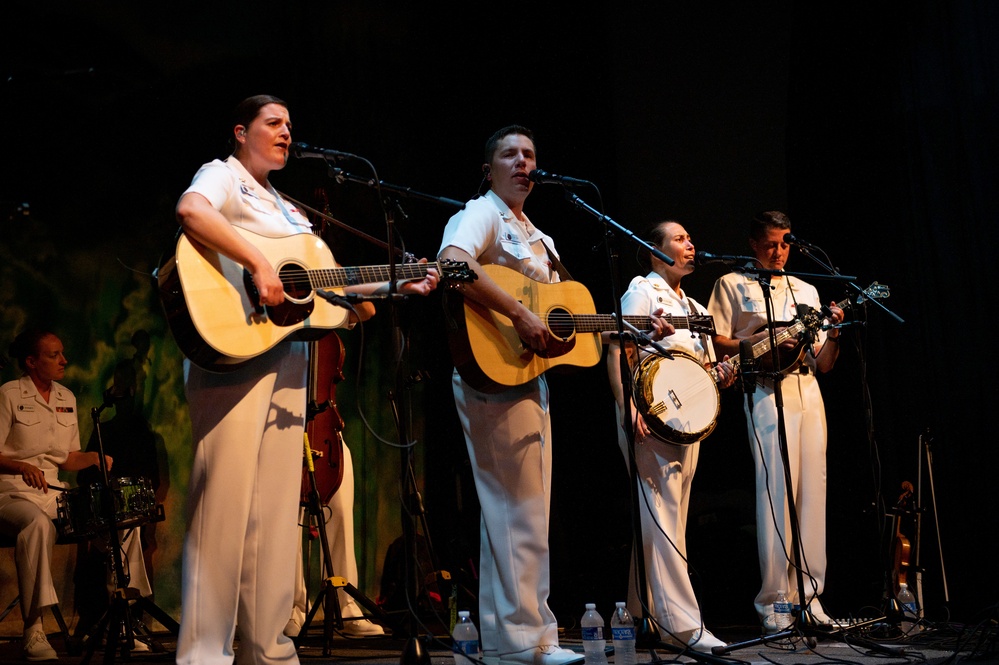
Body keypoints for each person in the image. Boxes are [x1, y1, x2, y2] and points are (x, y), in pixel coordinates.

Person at [173, 94, 437, 665]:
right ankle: (203, 655)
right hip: (231, 347)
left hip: (287, 355)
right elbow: (192, 213)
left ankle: (268, 648)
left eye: (291, 125)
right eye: (274, 123)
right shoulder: (221, 176)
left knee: (273, 511)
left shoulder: (287, 209)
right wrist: (261, 264)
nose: (286, 132)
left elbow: (325, 282)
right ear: (241, 131)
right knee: (224, 502)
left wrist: (398, 283)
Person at [438, 126, 668, 665]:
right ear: (488, 168)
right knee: (516, 509)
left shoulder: (541, 238)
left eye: (530, 155)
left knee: (520, 510)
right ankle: (528, 640)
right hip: (491, 371)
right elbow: (452, 263)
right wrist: (518, 313)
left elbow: (570, 318)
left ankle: (507, 639)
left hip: (526, 378)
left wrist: (634, 327)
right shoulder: (481, 213)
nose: (523, 163)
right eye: (510, 154)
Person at [706, 211, 844, 632]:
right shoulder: (732, 283)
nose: (778, 251)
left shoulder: (806, 288)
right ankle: (774, 602)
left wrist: (835, 332)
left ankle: (811, 596)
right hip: (765, 390)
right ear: (753, 243)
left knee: (812, 492)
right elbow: (715, 337)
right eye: (770, 243)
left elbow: (823, 363)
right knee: (776, 492)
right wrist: (759, 340)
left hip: (807, 389)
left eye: (785, 243)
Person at [606, 220, 735, 653]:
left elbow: (707, 370)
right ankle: (683, 626)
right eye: (680, 239)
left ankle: (637, 614)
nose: (691, 244)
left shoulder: (696, 306)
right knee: (659, 515)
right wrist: (627, 405)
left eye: (690, 238)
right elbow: (616, 345)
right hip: (649, 416)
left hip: (687, 425)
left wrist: (723, 375)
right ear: (657, 251)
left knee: (668, 519)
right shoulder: (642, 289)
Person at [0, 329, 113, 661]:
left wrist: (93, 458)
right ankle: (33, 628)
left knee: (118, 517)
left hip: (53, 493)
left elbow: (67, 458)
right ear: (32, 362)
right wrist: (20, 467)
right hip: (11, 495)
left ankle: (123, 615)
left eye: (63, 353)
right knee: (38, 525)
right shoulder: (8, 395)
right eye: (54, 355)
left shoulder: (66, 398)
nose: (64, 361)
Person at [74, 359, 156, 647]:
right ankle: (118, 619)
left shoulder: (144, 435)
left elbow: (152, 481)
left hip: (131, 514)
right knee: (120, 535)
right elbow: (83, 477)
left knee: (130, 531)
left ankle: (124, 617)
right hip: (102, 514)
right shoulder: (103, 430)